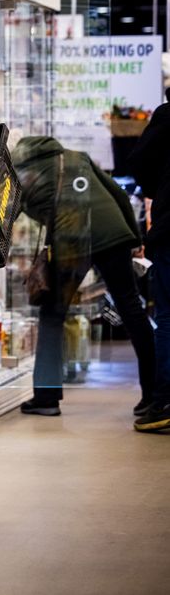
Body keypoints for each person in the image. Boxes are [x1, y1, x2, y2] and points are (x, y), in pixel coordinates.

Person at [11, 136, 153, 419]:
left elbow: (6, 216)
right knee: (131, 308)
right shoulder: (76, 157)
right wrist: (135, 240)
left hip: (72, 239)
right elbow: (117, 193)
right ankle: (156, 394)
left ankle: (47, 397)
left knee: (53, 314)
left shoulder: (18, 174)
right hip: (113, 233)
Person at [127, 89, 170, 432]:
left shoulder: (168, 116)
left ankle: (165, 403)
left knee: (168, 318)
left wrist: (161, 187)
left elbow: (139, 164)